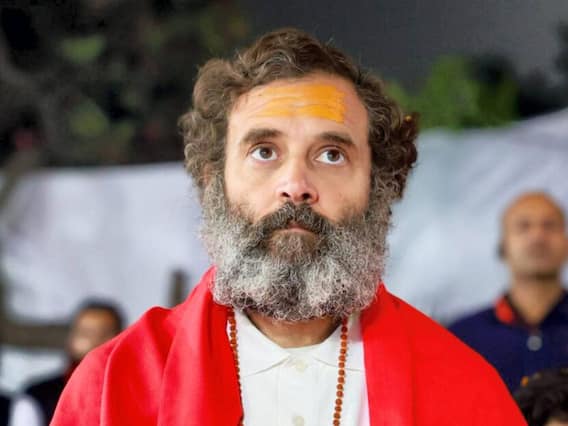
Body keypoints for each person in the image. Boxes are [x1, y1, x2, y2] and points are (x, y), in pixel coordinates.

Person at [52, 28, 525, 425]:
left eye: (331, 154)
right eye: (264, 151)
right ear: (213, 178)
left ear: (379, 185)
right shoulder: (111, 387)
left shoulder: (464, 391)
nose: (296, 185)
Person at [450, 192, 568, 392]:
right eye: (523, 226)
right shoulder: (462, 338)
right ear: (503, 247)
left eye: (549, 226)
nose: (538, 237)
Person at [9, 300, 124, 426]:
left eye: (105, 333)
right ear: (71, 339)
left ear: (122, 338)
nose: (95, 341)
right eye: (86, 333)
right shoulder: (38, 397)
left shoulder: (132, 392)